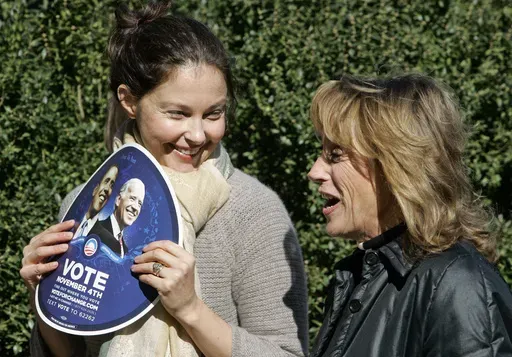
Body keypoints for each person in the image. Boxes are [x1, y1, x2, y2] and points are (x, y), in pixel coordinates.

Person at [20, 1, 308, 357]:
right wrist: (43, 297)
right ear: (129, 102)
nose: (198, 134)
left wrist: (190, 310)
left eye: (214, 113)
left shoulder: (253, 212)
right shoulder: (85, 202)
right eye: (178, 114)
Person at [307, 73, 512, 357]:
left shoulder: (457, 286)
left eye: (335, 155)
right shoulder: (361, 276)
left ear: (394, 165)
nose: (315, 172)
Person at [89, 178, 145, 258]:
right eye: (132, 199)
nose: (135, 207)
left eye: (139, 203)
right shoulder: (95, 229)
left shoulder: (124, 250)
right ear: (118, 200)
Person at [73, 165, 119, 239]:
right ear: (95, 189)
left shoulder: (106, 238)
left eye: (112, 185)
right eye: (106, 181)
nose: (107, 189)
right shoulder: (72, 217)